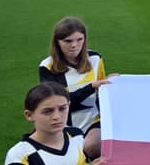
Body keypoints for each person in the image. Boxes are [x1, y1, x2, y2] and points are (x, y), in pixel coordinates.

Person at [38, 18, 113, 152]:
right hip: (62, 123)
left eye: (79, 39)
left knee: (92, 146)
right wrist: (91, 87)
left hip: (93, 119)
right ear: (57, 42)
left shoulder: (95, 59)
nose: (74, 45)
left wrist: (112, 82)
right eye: (68, 41)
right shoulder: (47, 67)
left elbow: (102, 92)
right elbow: (56, 103)